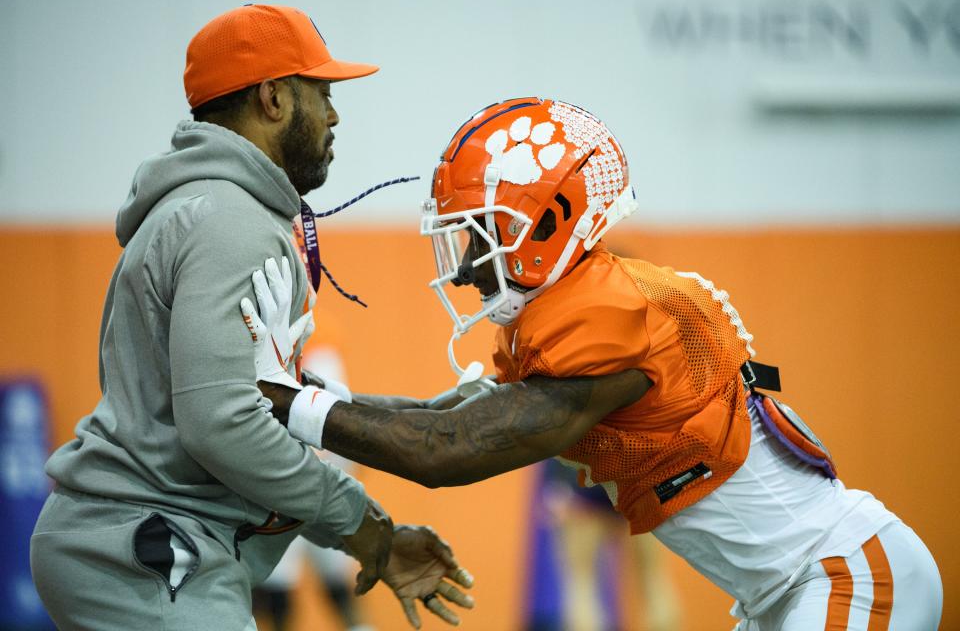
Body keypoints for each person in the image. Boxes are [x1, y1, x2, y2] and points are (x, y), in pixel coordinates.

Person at [250, 98, 943, 630]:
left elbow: (445, 452)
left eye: (479, 235)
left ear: (549, 221)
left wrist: (282, 401)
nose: (463, 268)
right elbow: (442, 415)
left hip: (847, 573)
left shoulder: (615, 316)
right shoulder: (571, 308)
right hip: (784, 590)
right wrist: (304, 393)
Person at [30, 5, 472, 631]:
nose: (334, 113)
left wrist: (424, 415)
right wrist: (365, 526)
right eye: (321, 92)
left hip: (145, 542)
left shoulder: (217, 210)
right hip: (147, 550)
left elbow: (271, 402)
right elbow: (222, 422)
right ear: (273, 98)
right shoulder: (230, 222)